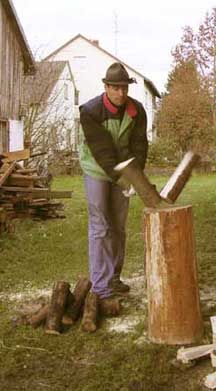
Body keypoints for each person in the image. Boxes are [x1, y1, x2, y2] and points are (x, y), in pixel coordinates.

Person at [79, 62, 148, 313]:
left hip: (124, 170)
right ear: (106, 87)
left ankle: (114, 279)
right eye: (115, 88)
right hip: (97, 169)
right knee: (100, 226)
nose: (120, 93)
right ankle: (101, 288)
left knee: (118, 226)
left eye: (124, 88)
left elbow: (140, 146)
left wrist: (135, 176)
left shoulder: (137, 111)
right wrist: (121, 179)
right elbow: (103, 152)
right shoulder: (90, 111)